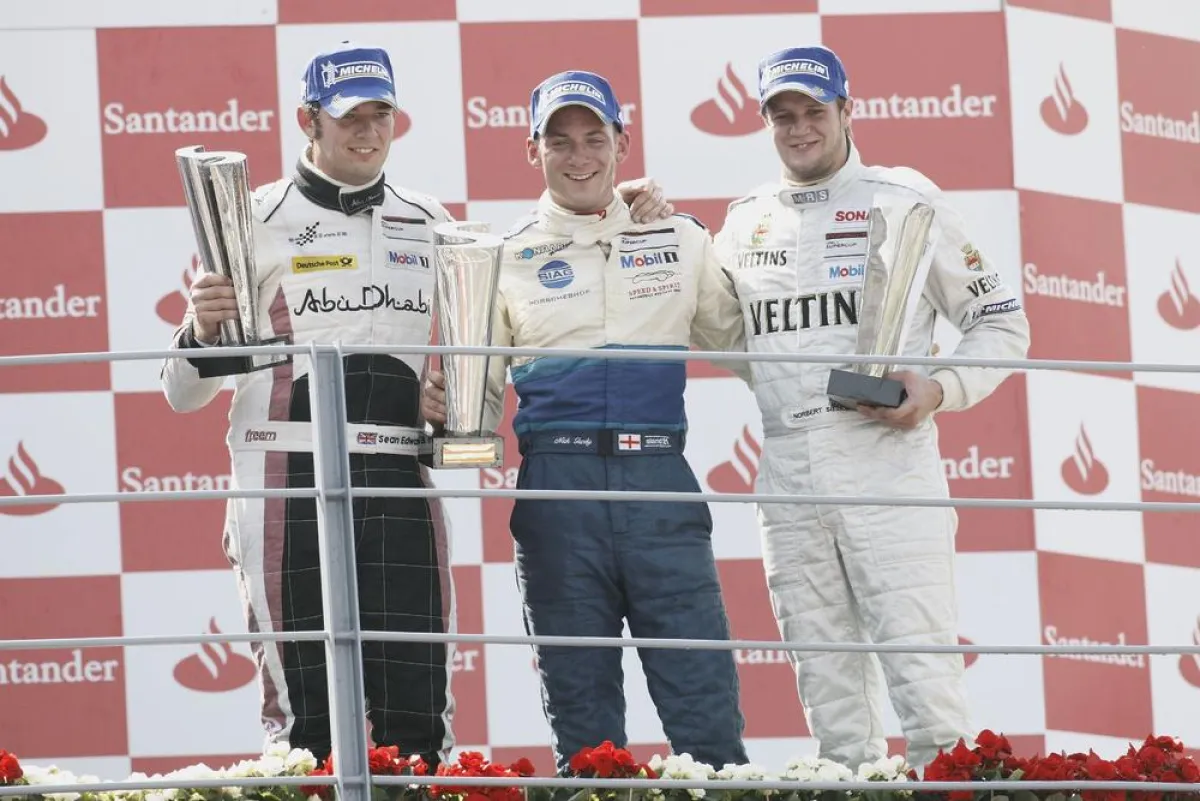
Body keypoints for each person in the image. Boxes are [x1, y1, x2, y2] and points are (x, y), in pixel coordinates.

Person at [160, 42, 672, 766]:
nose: (368, 132)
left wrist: (624, 210)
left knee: (418, 708)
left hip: (400, 476)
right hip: (285, 477)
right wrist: (201, 329)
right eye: (349, 118)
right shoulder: (252, 218)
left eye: (381, 114)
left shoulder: (429, 219)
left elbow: (520, 285)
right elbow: (183, 394)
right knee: (306, 714)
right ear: (308, 119)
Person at [712, 46, 1031, 773]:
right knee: (834, 717)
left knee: (929, 700)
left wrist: (939, 389)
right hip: (788, 474)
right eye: (782, 116)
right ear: (766, 123)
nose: (799, 128)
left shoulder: (905, 198)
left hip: (888, 468)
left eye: (814, 112)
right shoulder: (744, 221)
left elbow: (1002, 323)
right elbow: (733, 341)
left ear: (848, 111)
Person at [422, 70, 750, 774]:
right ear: (531, 151)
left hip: (659, 479)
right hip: (557, 493)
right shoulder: (500, 259)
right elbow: (468, 425)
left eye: (593, 137)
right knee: (586, 734)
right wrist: (440, 418)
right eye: (559, 140)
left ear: (621, 143)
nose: (579, 155)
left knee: (709, 719)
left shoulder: (681, 236)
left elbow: (755, 347)